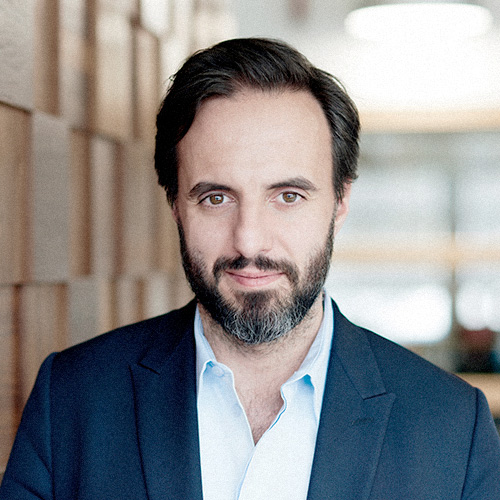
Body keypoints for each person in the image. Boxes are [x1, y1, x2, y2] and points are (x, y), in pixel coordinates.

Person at [1, 37, 499, 500]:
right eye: (216, 198)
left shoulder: (454, 428)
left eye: (288, 196)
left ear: (340, 202)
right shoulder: (70, 400)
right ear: (175, 204)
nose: (249, 241)